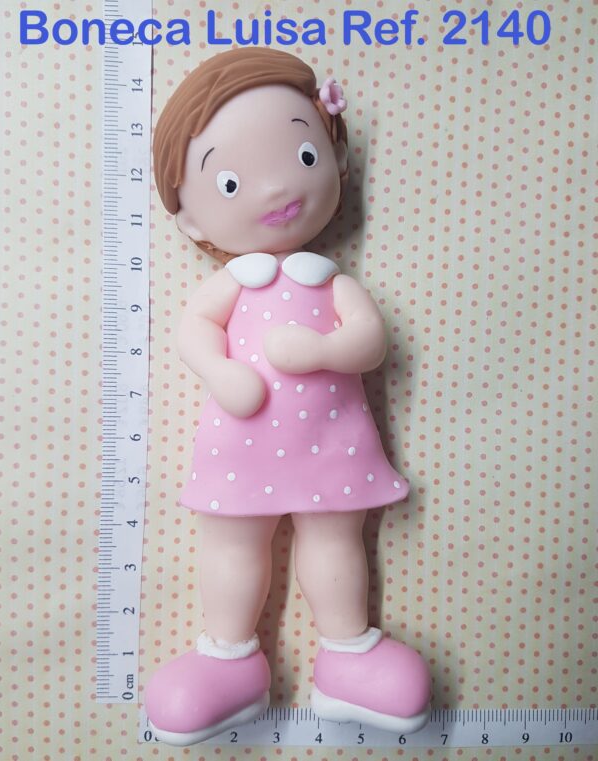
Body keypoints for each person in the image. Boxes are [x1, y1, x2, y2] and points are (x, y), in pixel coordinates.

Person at [144, 46, 432, 747]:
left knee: (336, 539)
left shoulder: (330, 280)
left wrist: (327, 351)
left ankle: (348, 656)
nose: (276, 190)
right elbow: (192, 330)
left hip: (331, 441)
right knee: (232, 545)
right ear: (190, 221)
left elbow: (370, 340)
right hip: (240, 440)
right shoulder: (230, 285)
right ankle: (227, 660)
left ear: (337, 160)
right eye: (232, 181)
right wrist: (221, 373)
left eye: (303, 157)